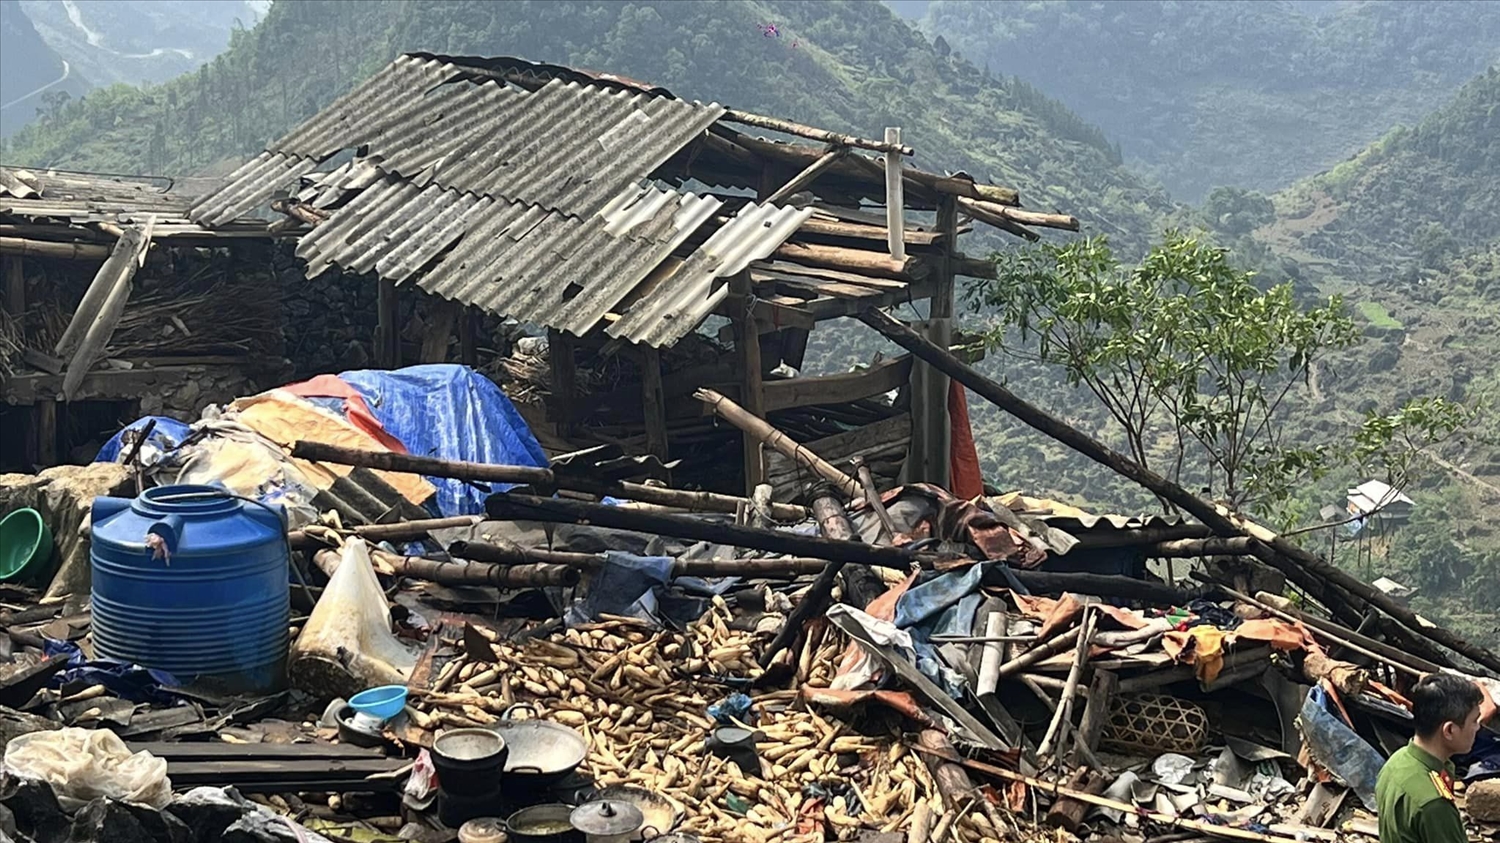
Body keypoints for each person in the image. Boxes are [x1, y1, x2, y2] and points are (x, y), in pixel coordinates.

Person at [1376, 673, 1484, 843]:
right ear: (1449, 730)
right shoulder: (1433, 803)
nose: (1478, 727)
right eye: (1474, 721)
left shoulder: (1396, 762)